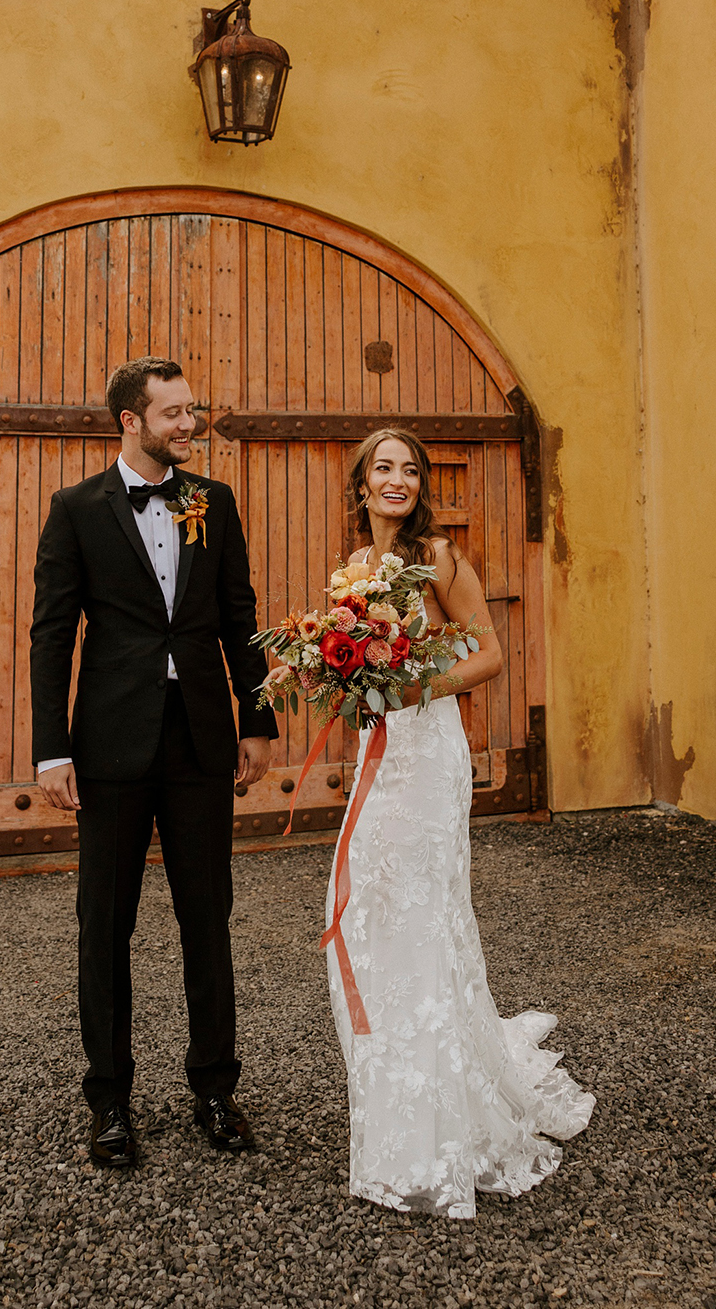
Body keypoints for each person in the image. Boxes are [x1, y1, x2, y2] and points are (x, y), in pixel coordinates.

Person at [280, 426, 594, 1218]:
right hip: (379, 757)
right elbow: (351, 668)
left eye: (410, 470)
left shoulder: (443, 560)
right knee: (369, 916)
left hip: (429, 753)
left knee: (422, 917)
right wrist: (339, 682)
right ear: (361, 486)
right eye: (383, 468)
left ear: (420, 486)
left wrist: (416, 691)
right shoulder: (351, 572)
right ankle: (396, 1099)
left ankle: (440, 1126)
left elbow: (488, 654)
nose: (398, 479)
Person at [30, 357, 277, 1169]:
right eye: (173, 413)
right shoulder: (75, 510)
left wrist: (257, 716)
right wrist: (51, 749)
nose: (190, 423)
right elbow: (52, 634)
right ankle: (109, 1100)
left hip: (201, 737)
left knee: (206, 915)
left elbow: (238, 609)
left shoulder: (214, 501)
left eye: (193, 409)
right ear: (129, 421)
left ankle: (214, 1086)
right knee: (105, 922)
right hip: (109, 742)